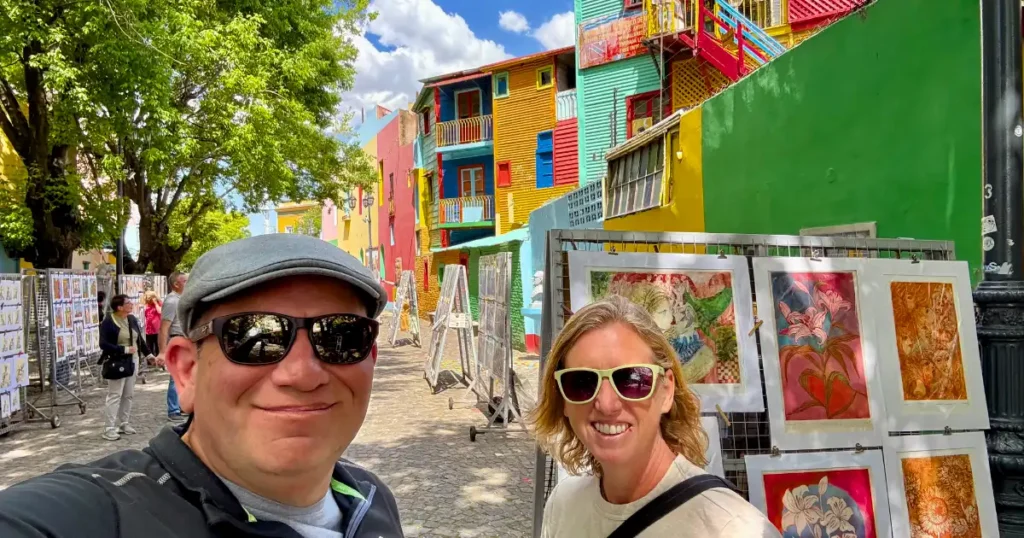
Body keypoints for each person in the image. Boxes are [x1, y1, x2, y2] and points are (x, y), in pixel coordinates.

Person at [0, 234, 403, 537]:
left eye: (342, 337)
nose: (302, 374)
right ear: (187, 371)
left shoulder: (371, 500)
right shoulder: (100, 514)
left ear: (370, 359)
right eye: (253, 337)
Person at [531, 295, 779, 538]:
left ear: (666, 391)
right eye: (581, 382)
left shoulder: (732, 528)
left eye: (632, 379)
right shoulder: (564, 505)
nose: (606, 404)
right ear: (562, 399)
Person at [98, 294, 154, 441]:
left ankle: (124, 423)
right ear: (120, 307)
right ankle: (109, 427)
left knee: (128, 394)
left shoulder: (131, 319)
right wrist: (123, 350)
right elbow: (103, 344)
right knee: (115, 394)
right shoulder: (109, 322)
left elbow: (139, 340)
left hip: (133, 360)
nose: (131, 304)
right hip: (117, 361)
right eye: (128, 303)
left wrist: (149, 355)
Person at [159, 271, 187, 422]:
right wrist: (163, 351)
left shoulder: (181, 299)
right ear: (176, 284)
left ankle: (181, 406)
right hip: (177, 339)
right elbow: (164, 327)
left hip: (185, 340)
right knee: (176, 376)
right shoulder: (172, 301)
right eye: (185, 281)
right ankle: (173, 409)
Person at [143, 290, 163, 357]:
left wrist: (156, 303)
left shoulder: (159, 304)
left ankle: (158, 359)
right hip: (149, 329)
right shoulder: (147, 305)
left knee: (157, 345)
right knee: (149, 345)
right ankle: (151, 360)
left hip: (157, 329)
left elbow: (160, 312)